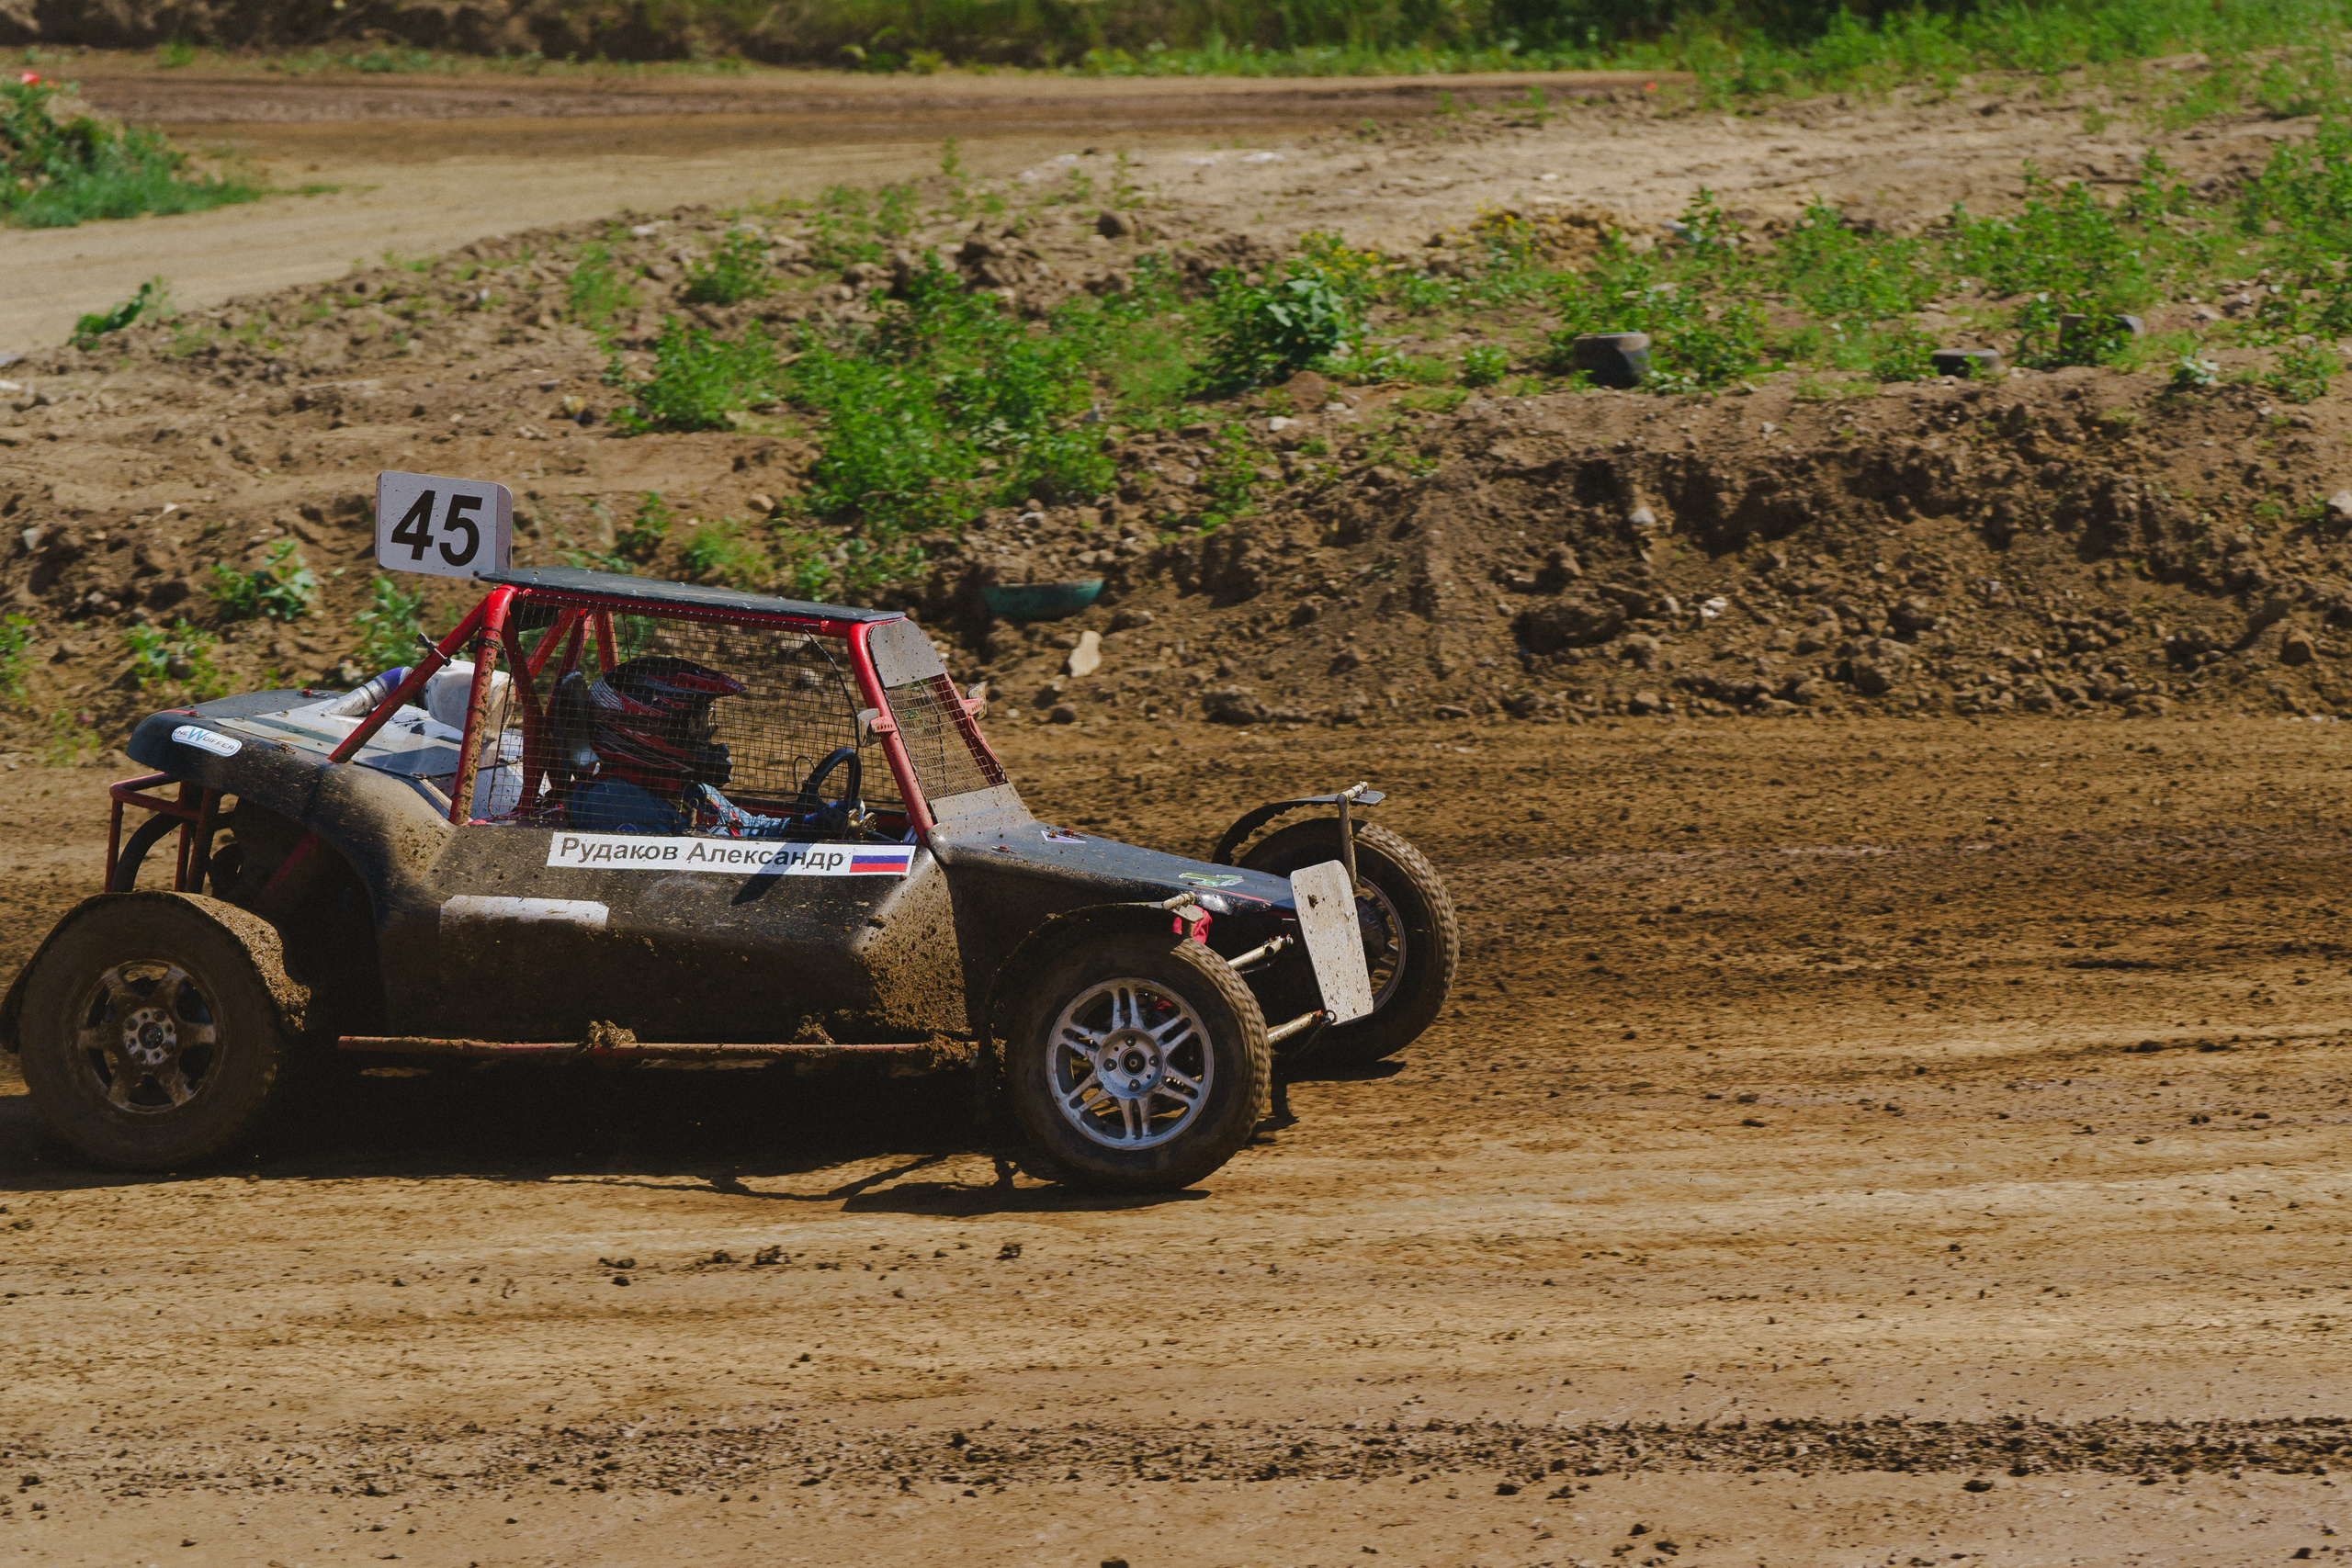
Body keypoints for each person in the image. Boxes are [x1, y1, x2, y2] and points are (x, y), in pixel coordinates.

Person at [567, 656, 790, 838]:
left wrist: (807, 821)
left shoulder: (688, 788)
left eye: (704, 723)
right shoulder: (620, 802)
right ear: (642, 732)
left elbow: (751, 828)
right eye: (693, 727)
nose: (705, 735)